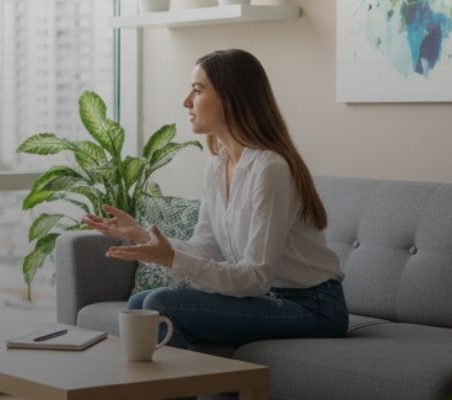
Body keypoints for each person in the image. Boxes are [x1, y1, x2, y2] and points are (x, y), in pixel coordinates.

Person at [83, 49, 348, 349]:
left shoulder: (270, 168)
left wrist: (172, 258)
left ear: (230, 98)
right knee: (140, 302)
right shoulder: (217, 165)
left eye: (197, 90)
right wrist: (144, 238)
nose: (186, 101)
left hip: (313, 307)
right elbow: (206, 248)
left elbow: (255, 277)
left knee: (160, 303)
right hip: (265, 298)